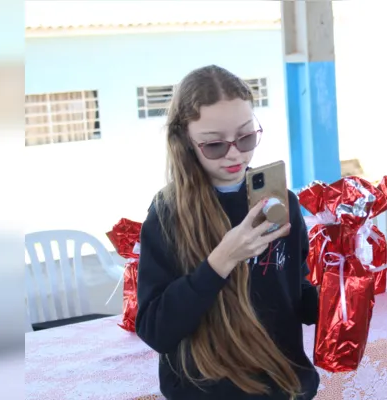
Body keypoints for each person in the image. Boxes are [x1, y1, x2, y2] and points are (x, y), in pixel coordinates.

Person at [135, 65, 320, 400]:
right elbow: (156, 330)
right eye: (215, 145)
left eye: (247, 136)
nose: (235, 153)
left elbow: (294, 293)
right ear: (186, 142)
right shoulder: (168, 213)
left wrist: (344, 290)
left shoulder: (282, 203)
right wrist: (222, 260)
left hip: (285, 387)